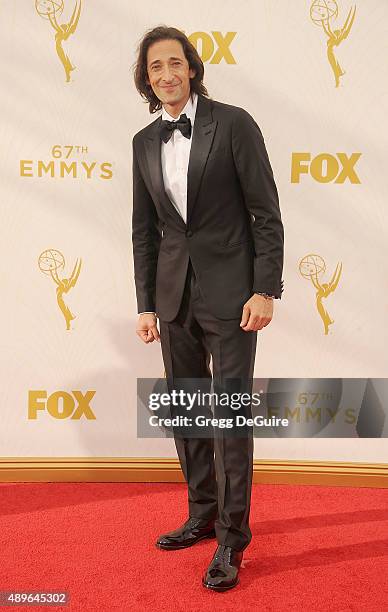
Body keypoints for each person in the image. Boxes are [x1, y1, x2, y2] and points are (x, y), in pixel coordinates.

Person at [131, 25, 284, 591]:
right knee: (189, 413)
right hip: (173, 297)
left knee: (229, 418)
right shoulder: (144, 142)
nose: (166, 75)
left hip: (233, 295)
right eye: (154, 68)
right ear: (146, 80)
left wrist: (265, 288)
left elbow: (265, 212)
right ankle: (200, 514)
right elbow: (144, 233)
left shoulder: (234, 123)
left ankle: (231, 538)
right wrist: (147, 304)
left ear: (192, 68)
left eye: (174, 63)